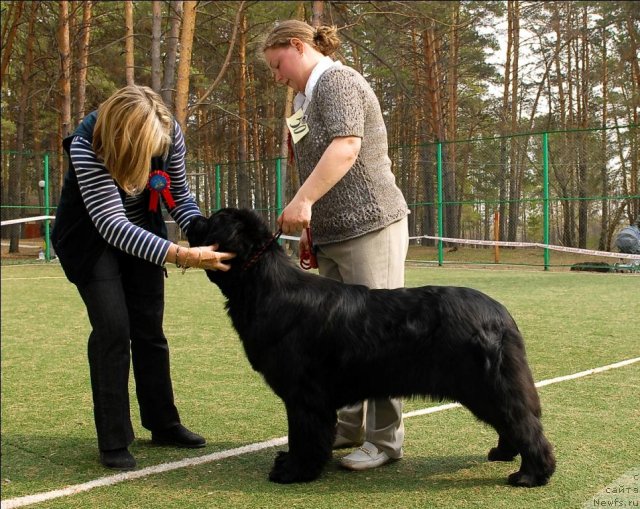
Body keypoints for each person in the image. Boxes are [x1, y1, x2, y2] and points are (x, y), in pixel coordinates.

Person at [51, 85, 235, 470]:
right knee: (114, 330)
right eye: (147, 148)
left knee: (149, 329)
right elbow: (111, 225)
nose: (156, 154)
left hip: (143, 227)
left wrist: (204, 237)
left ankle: (163, 424)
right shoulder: (89, 146)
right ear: (125, 140)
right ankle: (114, 440)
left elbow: (180, 197)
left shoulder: (168, 132)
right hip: (91, 240)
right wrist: (183, 255)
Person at [262, 20, 410, 471]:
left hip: (370, 226)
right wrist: (312, 225)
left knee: (380, 336)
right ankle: (347, 426)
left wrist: (303, 200)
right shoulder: (307, 97)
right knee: (337, 340)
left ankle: (385, 441)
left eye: (278, 64)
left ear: (298, 46)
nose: (277, 76)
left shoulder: (338, 81)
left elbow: (347, 147)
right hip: (331, 233)